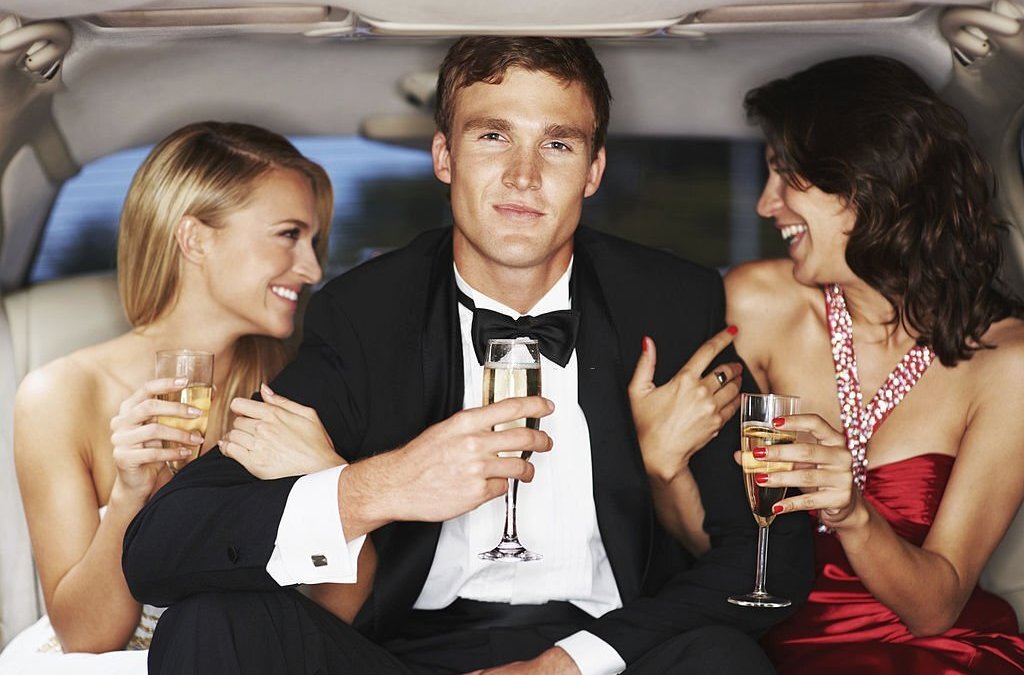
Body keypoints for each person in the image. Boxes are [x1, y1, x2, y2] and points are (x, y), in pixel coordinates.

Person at [122, 36, 814, 675]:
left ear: (594, 170)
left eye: (558, 145)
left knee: (721, 659)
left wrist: (573, 661)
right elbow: (160, 549)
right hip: (401, 657)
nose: (523, 175)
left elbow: (772, 557)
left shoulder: (668, 302)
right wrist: (381, 484)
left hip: (608, 653)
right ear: (444, 157)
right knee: (211, 623)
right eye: (492, 137)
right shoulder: (368, 313)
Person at [635, 55, 1024, 673]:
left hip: (933, 654)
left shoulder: (1008, 362)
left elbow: (937, 608)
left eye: (785, 177)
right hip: (767, 652)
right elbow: (730, 551)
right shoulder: (758, 304)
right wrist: (663, 468)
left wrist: (853, 513)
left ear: (867, 184)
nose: (767, 206)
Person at [0, 121, 335, 674]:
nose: (313, 268)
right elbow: (86, 638)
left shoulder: (300, 388)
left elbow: (343, 614)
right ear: (195, 239)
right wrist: (131, 498)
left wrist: (332, 485)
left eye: (313, 241)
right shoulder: (61, 396)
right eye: (288, 235)